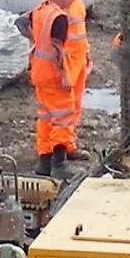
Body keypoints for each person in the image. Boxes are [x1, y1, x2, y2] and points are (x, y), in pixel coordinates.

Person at [31, 12, 87, 173]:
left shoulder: (45, 10)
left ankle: (46, 160)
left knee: (47, 115)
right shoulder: (57, 13)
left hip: (49, 69)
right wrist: (63, 71)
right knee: (62, 116)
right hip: (58, 71)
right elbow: (56, 44)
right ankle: (59, 163)